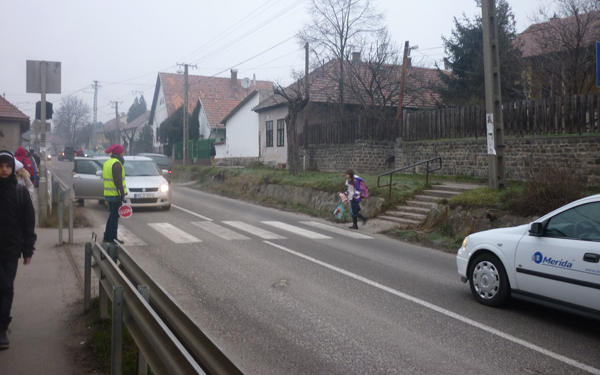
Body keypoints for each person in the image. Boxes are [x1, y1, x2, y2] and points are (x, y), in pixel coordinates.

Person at [0, 150, 36, 349]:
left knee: (6, 288)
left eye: (7, 166)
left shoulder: (20, 192)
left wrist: (28, 249)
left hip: (11, 248)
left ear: (12, 169)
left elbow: (28, 222)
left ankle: (2, 327)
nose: (4, 169)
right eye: (1, 166)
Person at [102, 144, 127, 244]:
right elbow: (118, 181)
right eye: (123, 152)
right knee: (114, 217)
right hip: (115, 195)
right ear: (119, 153)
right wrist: (122, 194)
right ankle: (112, 238)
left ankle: (107, 237)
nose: (124, 153)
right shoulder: (117, 164)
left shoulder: (108, 162)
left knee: (111, 216)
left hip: (109, 194)